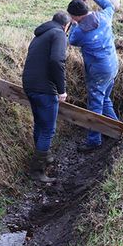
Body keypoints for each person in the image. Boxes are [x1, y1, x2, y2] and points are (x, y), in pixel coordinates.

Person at [21, 11, 72, 183]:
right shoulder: (59, 34)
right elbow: (57, 61)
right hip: (45, 89)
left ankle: (44, 155)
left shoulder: (40, 35)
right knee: (48, 130)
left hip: (30, 85)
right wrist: (61, 89)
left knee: (40, 124)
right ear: (66, 26)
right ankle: (38, 170)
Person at [67, 0, 119, 152]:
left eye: (71, 16)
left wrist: (74, 23)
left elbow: (71, 40)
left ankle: (93, 141)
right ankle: (116, 128)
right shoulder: (104, 16)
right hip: (113, 65)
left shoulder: (80, 32)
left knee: (95, 105)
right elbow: (110, 5)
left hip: (98, 71)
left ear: (75, 16)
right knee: (104, 99)